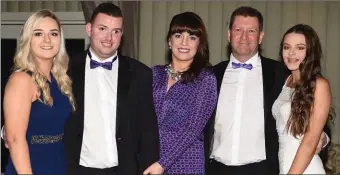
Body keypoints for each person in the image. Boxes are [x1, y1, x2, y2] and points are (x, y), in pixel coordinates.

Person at [205, 6, 329, 175]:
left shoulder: (282, 73)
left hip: (263, 169)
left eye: (251, 31)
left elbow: (311, 108)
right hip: (217, 168)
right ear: (229, 34)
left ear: (261, 36)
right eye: (238, 30)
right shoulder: (210, 75)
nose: (244, 37)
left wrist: (323, 136)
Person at [63, 2, 159, 175]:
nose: (109, 37)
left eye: (116, 31)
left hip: (124, 170)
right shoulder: (66, 70)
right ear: (89, 29)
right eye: (103, 29)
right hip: (77, 170)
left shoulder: (140, 73)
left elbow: (148, 129)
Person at [143, 12, 217, 174]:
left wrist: (162, 164)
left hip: (186, 162)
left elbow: (193, 129)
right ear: (169, 41)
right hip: (150, 159)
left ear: (199, 44)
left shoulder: (205, 79)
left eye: (192, 37)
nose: (184, 42)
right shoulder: (153, 74)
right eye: (178, 35)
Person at [3, 9, 75, 174]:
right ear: (28, 39)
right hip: (31, 166)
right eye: (38, 34)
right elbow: (14, 139)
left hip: (58, 162)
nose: (47, 40)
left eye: (53, 34)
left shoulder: (60, 80)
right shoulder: (21, 80)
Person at [272, 24, 331, 174]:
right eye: (286, 47)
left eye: (299, 48)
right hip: (284, 166)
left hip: (305, 169)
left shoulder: (319, 85)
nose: (291, 53)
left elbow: (311, 140)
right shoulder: (285, 82)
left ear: (310, 52)